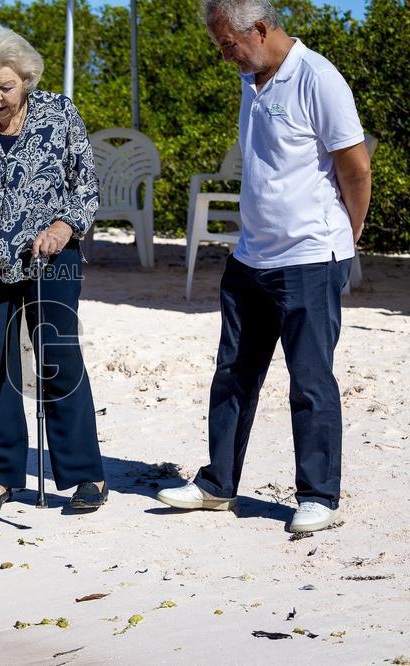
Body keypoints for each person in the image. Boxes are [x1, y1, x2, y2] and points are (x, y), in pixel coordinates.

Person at [157, 0, 372, 533]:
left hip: (310, 256)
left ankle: (318, 496)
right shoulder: (250, 79)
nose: (224, 55)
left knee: (310, 379)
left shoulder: (317, 78)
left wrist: (349, 233)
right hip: (250, 255)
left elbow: (356, 167)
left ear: (258, 29)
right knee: (233, 372)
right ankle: (217, 485)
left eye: (227, 44)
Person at [0, 25, 105, 516]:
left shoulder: (60, 112)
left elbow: (85, 183)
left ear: (26, 79)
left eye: (6, 86)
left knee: (58, 359)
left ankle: (85, 475)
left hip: (50, 256)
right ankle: (0, 477)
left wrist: (65, 226)